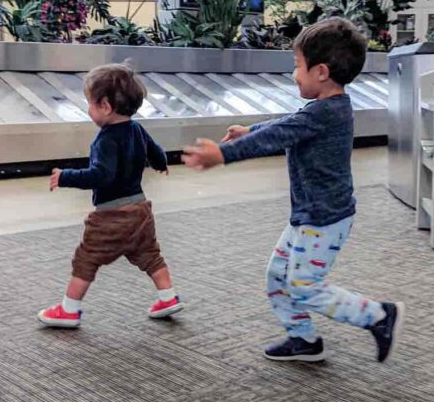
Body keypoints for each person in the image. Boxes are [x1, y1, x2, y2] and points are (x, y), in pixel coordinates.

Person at [182, 18, 403, 363]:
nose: (294, 74)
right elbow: (287, 125)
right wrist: (251, 130)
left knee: (304, 286)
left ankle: (377, 316)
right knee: (278, 275)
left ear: (321, 72)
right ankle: (303, 338)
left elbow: (281, 134)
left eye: (297, 66)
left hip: (324, 218)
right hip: (308, 214)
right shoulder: (324, 108)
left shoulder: (327, 112)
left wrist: (223, 154)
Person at [38, 63, 183, 328]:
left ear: (105, 106)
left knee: (86, 258)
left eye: (90, 103)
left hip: (111, 216)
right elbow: (156, 152)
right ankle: (168, 297)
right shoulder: (137, 129)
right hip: (140, 209)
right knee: (149, 254)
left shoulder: (105, 140)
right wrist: (161, 164)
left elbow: (101, 175)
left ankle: (69, 309)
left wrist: (66, 176)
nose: (88, 109)